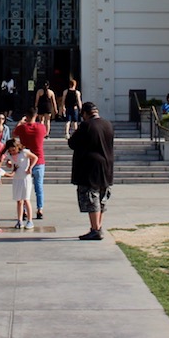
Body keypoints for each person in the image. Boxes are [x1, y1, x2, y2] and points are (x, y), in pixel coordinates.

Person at [68, 102, 114, 240]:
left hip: (90, 167)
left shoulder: (86, 125)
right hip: (106, 165)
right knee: (102, 197)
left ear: (85, 114)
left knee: (91, 197)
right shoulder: (108, 125)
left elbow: (72, 143)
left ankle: (95, 229)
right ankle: (98, 227)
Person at [14, 107, 48, 220]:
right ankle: (40, 209)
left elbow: (14, 134)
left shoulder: (22, 128)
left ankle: (23, 211)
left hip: (25, 161)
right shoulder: (41, 127)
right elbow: (45, 132)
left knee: (24, 187)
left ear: (26, 117)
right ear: (36, 115)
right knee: (39, 187)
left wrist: (20, 122)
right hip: (39, 160)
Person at [2, 137, 36, 230]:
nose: (12, 152)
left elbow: (35, 158)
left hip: (25, 178)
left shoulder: (24, 152)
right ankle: (19, 220)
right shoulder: (9, 154)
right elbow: (8, 161)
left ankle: (30, 221)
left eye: (14, 150)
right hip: (17, 178)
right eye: (10, 150)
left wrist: (30, 168)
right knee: (19, 200)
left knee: (26, 199)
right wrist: (8, 163)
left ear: (18, 147)